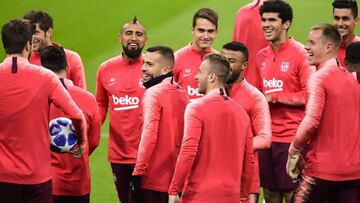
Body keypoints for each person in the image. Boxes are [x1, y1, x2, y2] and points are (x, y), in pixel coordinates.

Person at [0, 19, 87, 203]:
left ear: (4, 44)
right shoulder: (45, 77)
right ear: (28, 45)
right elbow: (76, 115)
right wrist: (80, 141)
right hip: (37, 177)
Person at [288, 23, 360, 203]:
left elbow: (311, 121)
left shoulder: (318, 78)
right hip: (353, 173)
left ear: (328, 47)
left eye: (312, 43)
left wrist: (294, 151)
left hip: (322, 172)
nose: (306, 47)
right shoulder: (350, 79)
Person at [168, 53, 255, 203]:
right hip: (231, 196)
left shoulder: (196, 108)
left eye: (200, 72)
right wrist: (243, 196)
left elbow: (188, 151)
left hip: (199, 196)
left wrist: (174, 189)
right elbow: (249, 160)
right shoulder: (241, 112)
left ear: (211, 77)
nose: (196, 77)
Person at [255, 1, 315, 202]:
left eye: (272, 20)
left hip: (292, 138)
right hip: (267, 138)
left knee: (292, 194)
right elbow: (257, 94)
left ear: (286, 23)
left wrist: (275, 98)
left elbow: (311, 95)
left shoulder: (301, 54)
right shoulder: (261, 56)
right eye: (263, 20)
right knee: (270, 193)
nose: (266, 24)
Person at [95, 17, 147, 203]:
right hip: (118, 154)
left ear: (145, 40)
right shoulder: (105, 69)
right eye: (129, 33)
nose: (134, 38)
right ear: (120, 38)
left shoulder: (151, 68)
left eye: (139, 34)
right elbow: (101, 104)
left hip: (146, 154)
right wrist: (91, 128)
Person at [41, 45, 101, 203]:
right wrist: (75, 151)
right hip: (78, 184)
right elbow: (93, 141)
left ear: (42, 68)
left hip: (45, 182)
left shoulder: (37, 99)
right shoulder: (88, 98)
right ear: (67, 66)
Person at [130, 46, 188, 203]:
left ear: (165, 69)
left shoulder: (153, 94)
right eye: (143, 63)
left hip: (152, 180)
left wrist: (137, 173)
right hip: (176, 183)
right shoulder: (182, 94)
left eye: (149, 64)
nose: (143, 68)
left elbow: (149, 136)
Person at [222, 41, 272, 203]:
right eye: (223, 60)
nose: (225, 66)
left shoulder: (255, 97)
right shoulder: (213, 92)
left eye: (231, 61)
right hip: (214, 177)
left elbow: (264, 139)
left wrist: (233, 144)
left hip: (244, 181)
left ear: (244, 66)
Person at [23, 9, 87, 89]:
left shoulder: (72, 58)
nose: (31, 38)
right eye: (29, 33)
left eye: (36, 33)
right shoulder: (24, 60)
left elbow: (81, 94)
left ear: (49, 32)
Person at [173, 8, 218, 101]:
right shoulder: (176, 59)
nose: (206, 36)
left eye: (210, 31)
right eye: (201, 30)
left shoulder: (221, 61)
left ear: (216, 32)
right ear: (192, 30)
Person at [233, 0, 268, 89]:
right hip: (268, 86)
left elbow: (233, 53)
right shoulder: (277, 14)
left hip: (241, 85)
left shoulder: (242, 12)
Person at [332, 0, 360, 68]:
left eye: (345, 19)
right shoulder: (324, 49)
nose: (340, 23)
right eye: (337, 18)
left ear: (356, 21)